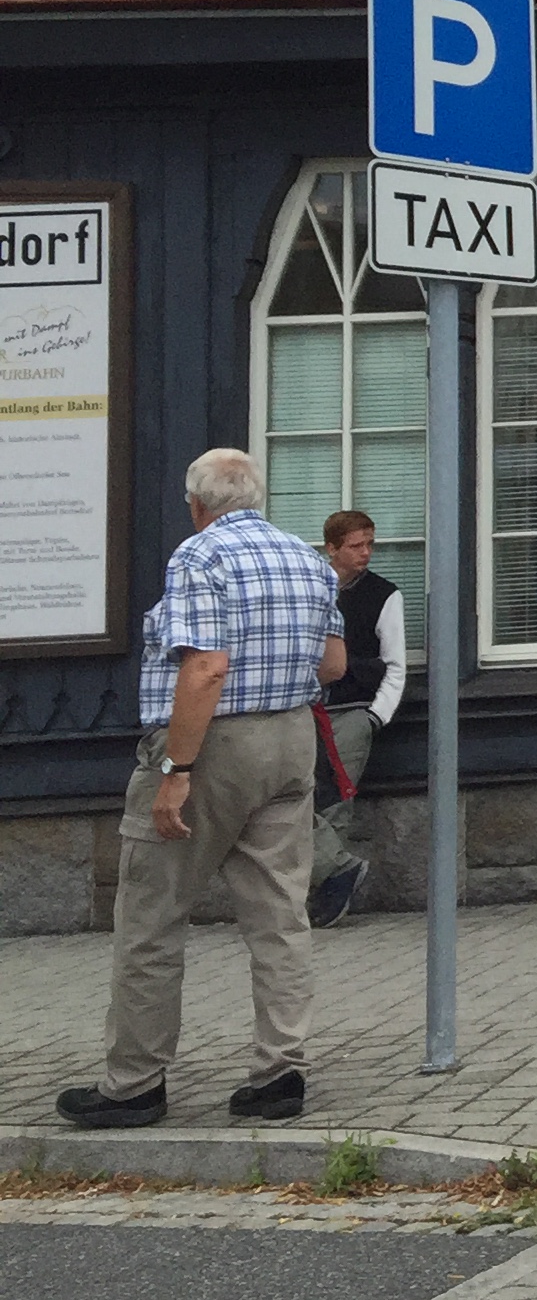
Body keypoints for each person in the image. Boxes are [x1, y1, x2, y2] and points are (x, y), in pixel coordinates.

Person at [56, 448, 344, 1130]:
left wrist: (175, 771)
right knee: (280, 916)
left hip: (211, 745)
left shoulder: (200, 555)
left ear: (197, 505)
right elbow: (333, 664)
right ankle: (280, 1073)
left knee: (151, 917)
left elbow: (206, 668)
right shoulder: (308, 559)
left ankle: (134, 1083)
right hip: (291, 739)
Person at [308, 509, 402, 930]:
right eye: (355, 546)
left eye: (369, 544)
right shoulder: (311, 587)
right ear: (332, 548)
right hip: (306, 709)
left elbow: (395, 664)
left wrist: (374, 716)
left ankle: (328, 896)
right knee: (296, 798)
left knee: (335, 804)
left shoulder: (383, 595)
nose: (365, 553)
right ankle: (332, 875)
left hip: (351, 711)